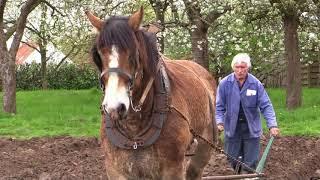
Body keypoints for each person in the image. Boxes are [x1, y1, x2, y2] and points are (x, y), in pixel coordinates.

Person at [215, 53, 280, 174]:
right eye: (237, 67)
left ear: (248, 68)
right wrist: (219, 122)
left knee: (251, 162)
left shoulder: (255, 84)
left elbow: (266, 105)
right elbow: (219, 107)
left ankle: (248, 176)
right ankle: (236, 174)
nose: (240, 70)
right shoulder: (224, 84)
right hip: (232, 128)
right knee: (231, 160)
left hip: (251, 128)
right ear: (233, 67)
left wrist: (272, 125)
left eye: (243, 67)